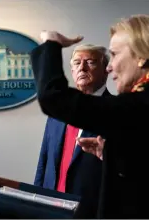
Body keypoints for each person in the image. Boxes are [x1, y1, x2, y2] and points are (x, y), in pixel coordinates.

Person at [31, 14, 149, 218]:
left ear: (141, 57)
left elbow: (53, 98)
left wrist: (51, 43)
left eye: (115, 54)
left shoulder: (144, 105)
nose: (110, 67)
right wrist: (110, 154)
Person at [33, 44, 111, 218]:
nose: (82, 68)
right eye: (76, 63)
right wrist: (35, 198)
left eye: (90, 62)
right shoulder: (57, 112)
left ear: (106, 69)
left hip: (92, 210)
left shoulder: (116, 110)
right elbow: (43, 161)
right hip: (50, 207)